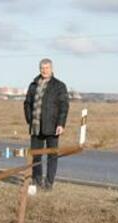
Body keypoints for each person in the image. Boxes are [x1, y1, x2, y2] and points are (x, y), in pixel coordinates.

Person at [24, 58, 69, 190]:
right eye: (42, 68)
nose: (44, 70)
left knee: (52, 155)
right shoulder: (33, 85)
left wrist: (61, 124)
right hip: (36, 127)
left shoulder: (59, 86)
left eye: (47, 68)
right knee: (36, 154)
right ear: (39, 69)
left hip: (52, 126)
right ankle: (37, 181)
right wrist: (29, 120)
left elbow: (64, 106)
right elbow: (27, 103)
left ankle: (49, 183)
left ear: (52, 69)